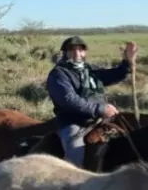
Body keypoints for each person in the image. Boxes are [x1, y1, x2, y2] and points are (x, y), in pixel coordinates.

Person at [46, 35, 137, 167]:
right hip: (73, 121)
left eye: (80, 50)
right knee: (76, 149)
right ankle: (72, 177)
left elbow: (113, 74)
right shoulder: (59, 74)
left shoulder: (90, 70)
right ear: (65, 53)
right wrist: (100, 109)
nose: (77, 54)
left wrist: (127, 62)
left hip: (100, 118)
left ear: (85, 52)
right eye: (72, 50)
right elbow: (69, 100)